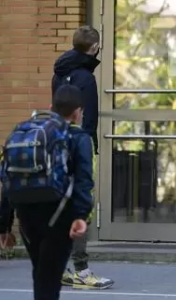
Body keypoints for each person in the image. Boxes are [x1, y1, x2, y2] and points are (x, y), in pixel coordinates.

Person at [0, 85, 94, 300]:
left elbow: (7, 177)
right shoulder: (79, 138)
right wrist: (80, 215)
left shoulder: (24, 132)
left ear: (51, 108)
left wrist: (4, 223)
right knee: (50, 277)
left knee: (40, 272)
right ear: (78, 112)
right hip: (59, 213)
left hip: (25, 211)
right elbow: (83, 179)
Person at [51, 25, 113, 290]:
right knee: (81, 204)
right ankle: (82, 270)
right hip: (79, 143)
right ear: (95, 48)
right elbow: (85, 118)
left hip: (56, 140)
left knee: (61, 204)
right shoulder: (86, 78)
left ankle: (60, 266)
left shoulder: (60, 73)